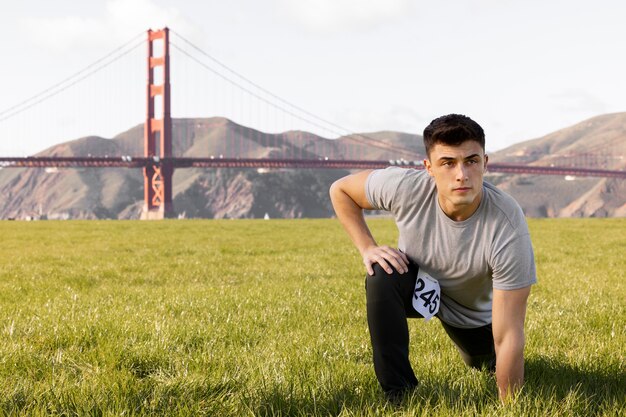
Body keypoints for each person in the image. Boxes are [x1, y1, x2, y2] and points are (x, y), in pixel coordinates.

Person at [329, 114, 536, 403]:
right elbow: (341, 190)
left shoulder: (507, 223)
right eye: (448, 163)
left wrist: (510, 406)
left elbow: (509, 334)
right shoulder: (404, 187)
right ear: (429, 168)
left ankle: (484, 359)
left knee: (483, 362)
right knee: (381, 274)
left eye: (471, 161)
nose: (461, 174)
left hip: (471, 318)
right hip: (422, 286)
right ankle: (400, 395)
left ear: (485, 163)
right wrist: (367, 248)